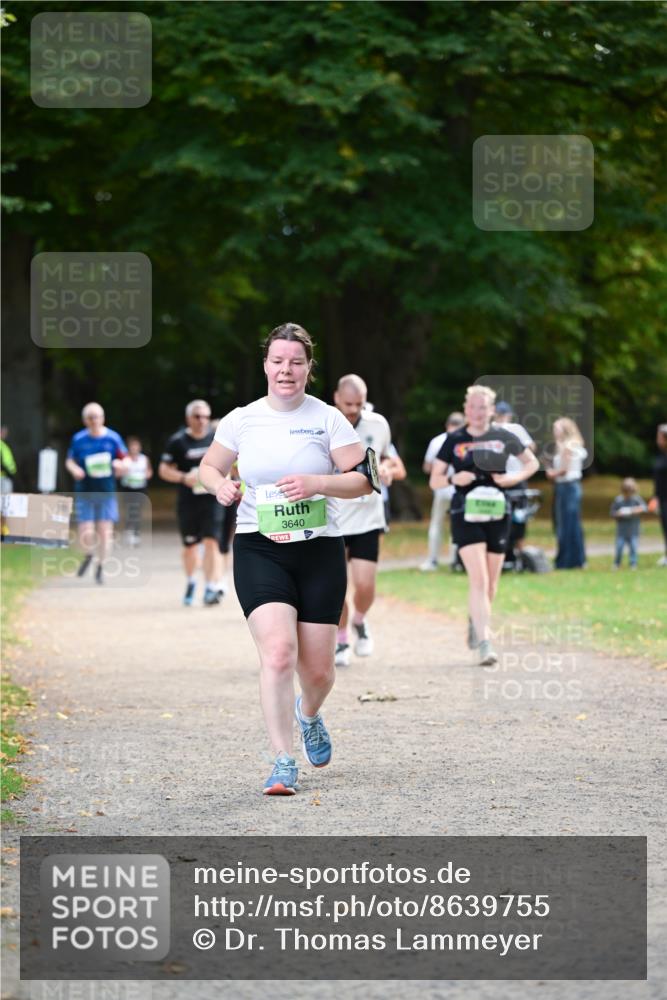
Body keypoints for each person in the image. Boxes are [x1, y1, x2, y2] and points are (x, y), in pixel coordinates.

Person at [199, 323, 375, 795]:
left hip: (318, 549)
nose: (286, 370)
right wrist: (220, 485)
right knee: (278, 654)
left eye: (296, 362)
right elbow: (209, 465)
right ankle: (282, 760)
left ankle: (309, 712)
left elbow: (363, 480)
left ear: (308, 368)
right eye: (278, 361)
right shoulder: (241, 419)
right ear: (265, 365)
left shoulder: (328, 419)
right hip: (260, 546)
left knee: (318, 671)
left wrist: (319, 483)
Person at [429, 385, 539, 665]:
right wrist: (455, 479)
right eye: (472, 407)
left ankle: (475, 620)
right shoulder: (454, 439)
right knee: (478, 580)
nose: (477, 413)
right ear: (466, 409)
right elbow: (435, 480)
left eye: (483, 407)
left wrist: (511, 480)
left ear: (492, 410)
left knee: (491, 584)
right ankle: (486, 643)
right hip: (465, 513)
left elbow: (532, 463)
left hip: (497, 512)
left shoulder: (504, 436)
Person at [332, 375, 406, 667]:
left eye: (358, 404)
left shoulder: (378, 424)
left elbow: (395, 464)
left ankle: (360, 621)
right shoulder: (322, 423)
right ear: (336, 397)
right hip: (333, 517)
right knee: (336, 586)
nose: (353, 410)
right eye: (348, 404)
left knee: (365, 585)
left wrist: (386, 470)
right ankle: (341, 639)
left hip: (367, 517)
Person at [159, 401, 224, 607]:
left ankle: (210, 587)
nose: (202, 420)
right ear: (188, 418)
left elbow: (232, 461)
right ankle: (191, 582)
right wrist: (182, 477)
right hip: (188, 501)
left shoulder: (216, 438)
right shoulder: (177, 441)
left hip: (212, 499)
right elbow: (163, 469)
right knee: (190, 547)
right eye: (197, 416)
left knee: (212, 542)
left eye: (205, 416)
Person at [65, 402, 130, 584]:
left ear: (103, 418)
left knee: (104, 532)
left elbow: (126, 461)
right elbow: (69, 461)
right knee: (85, 531)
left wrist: (121, 466)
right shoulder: (78, 439)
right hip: (84, 490)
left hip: (106, 491)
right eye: (90, 417)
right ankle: (88, 554)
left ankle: (100, 566)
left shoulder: (113, 438)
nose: (94, 420)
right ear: (85, 420)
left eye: (97, 416)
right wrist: (74, 470)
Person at [420, 411, 465, 572]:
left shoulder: (437, 441)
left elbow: (427, 466)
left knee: (436, 525)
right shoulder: (466, 440)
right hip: (458, 489)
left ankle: (432, 559)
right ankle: (455, 560)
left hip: (441, 488)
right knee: (456, 525)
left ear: (447, 425)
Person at [492, 400, 536, 557]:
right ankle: (516, 550)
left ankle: (505, 550)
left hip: (503, 477)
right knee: (518, 515)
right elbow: (531, 448)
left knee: (503, 514)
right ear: (508, 415)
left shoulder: (494, 429)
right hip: (515, 476)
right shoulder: (516, 429)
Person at [546, 417, 588, 570]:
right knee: (571, 523)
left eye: (556, 428)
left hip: (567, 487)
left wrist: (551, 473)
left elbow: (564, 470)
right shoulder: (572, 446)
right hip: (569, 487)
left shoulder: (568, 447)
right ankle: (576, 559)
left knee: (566, 525)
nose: (554, 432)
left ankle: (568, 560)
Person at [118, 435, 153, 546]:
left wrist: (146, 475)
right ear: (129, 447)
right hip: (128, 488)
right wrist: (124, 471)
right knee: (130, 510)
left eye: (136, 446)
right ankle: (129, 531)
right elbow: (118, 474)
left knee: (137, 511)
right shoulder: (124, 459)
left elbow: (149, 472)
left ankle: (136, 534)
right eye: (132, 446)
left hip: (141, 488)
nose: (134, 448)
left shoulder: (144, 459)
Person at [610, 477, 646, 570]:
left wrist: (635, 510)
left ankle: (633, 563)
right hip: (621, 531)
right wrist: (618, 513)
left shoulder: (636, 499)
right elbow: (612, 513)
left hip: (633, 530)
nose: (628, 494)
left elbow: (644, 508)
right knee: (619, 548)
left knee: (633, 548)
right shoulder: (618, 500)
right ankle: (617, 563)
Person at [650, 423, 667, 566]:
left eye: (659, 437)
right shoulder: (661, 455)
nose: (657, 440)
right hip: (662, 498)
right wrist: (655, 497)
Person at [0, 426, 17, 495]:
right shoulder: (2, 445)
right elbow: (8, 463)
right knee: (6, 499)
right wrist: (12, 472)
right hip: (3, 477)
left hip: (5, 476)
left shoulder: (4, 445)